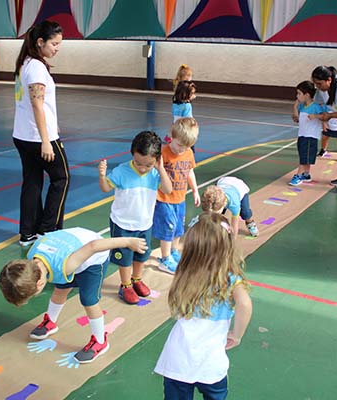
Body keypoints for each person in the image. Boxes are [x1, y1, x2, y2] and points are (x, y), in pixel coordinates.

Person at [0, 229, 147, 364]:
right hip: (71, 247)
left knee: (89, 301)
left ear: (39, 284)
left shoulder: (65, 265)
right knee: (60, 289)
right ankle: (50, 322)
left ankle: (100, 342)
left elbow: (94, 246)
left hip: (93, 257)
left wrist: (128, 242)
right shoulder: (33, 258)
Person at [154, 212, 252, 400]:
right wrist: (237, 335)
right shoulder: (230, 280)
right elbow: (245, 304)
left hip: (177, 361)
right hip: (211, 364)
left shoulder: (184, 274)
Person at [98, 131, 173, 305]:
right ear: (132, 154)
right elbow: (105, 188)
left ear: (157, 160)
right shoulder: (121, 171)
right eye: (138, 163)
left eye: (148, 164)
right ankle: (125, 285)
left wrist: (160, 168)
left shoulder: (155, 173)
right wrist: (102, 176)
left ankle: (137, 279)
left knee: (141, 255)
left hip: (144, 223)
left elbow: (168, 190)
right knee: (125, 258)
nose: (142, 168)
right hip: (122, 223)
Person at [13, 21, 70, 247]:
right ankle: (48, 229)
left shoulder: (25, 63)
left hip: (22, 135)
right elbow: (37, 104)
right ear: (40, 42)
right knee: (62, 178)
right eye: (54, 44)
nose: (57, 48)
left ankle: (28, 233)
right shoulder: (36, 67)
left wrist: (52, 124)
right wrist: (46, 141)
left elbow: (37, 105)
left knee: (32, 181)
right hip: (38, 138)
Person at [154, 117, 200, 274]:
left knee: (179, 228)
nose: (182, 150)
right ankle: (165, 259)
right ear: (171, 137)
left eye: (187, 146)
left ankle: (174, 251)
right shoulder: (163, 153)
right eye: (179, 145)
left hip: (180, 198)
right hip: (164, 198)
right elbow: (154, 174)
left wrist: (194, 190)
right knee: (168, 226)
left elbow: (189, 172)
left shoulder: (187, 153)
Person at [289, 81, 327, 186]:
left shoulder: (316, 107)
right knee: (304, 156)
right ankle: (306, 174)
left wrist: (316, 117)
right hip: (302, 135)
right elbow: (298, 118)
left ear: (307, 95)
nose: (297, 96)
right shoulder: (301, 106)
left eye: (299, 93)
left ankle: (298, 175)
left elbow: (324, 116)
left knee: (304, 158)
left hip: (310, 136)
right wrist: (295, 109)